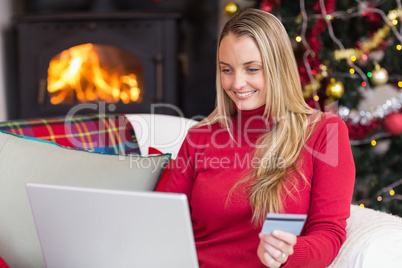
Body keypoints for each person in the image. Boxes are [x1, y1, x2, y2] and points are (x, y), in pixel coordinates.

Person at [164, 8, 355, 268]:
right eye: (227, 70)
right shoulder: (200, 137)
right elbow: (161, 220)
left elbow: (329, 232)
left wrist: (289, 254)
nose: (237, 83)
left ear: (279, 68)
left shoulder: (324, 132)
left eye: (252, 69)